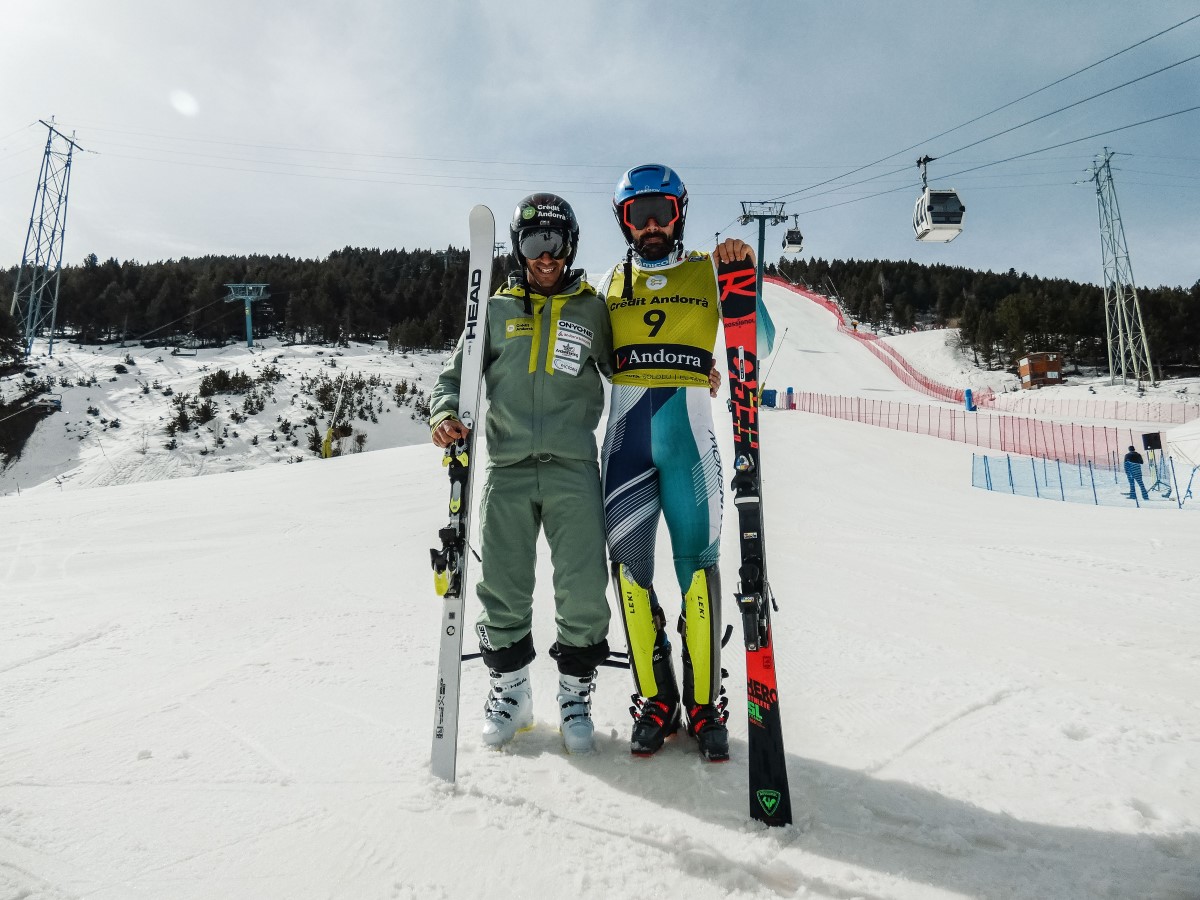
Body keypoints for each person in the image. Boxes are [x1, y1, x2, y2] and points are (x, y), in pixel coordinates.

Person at [430, 193, 614, 754]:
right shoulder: (494, 310)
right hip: (507, 470)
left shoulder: (593, 309)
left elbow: (632, 367)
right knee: (503, 588)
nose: (545, 256)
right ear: (518, 249)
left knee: (582, 588)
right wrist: (443, 413)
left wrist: (692, 376)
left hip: (573, 467)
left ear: (570, 245)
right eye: (534, 244)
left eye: (554, 243)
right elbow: (453, 379)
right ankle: (512, 693)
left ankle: (575, 692)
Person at [600, 163, 767, 762]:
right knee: (631, 571)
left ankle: (703, 702)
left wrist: (744, 275)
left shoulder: (705, 268)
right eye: (637, 214)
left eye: (661, 212)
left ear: (680, 215)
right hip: (625, 446)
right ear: (623, 221)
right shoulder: (607, 283)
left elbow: (759, 347)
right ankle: (655, 699)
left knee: (699, 567)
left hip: (690, 444)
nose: (650, 225)